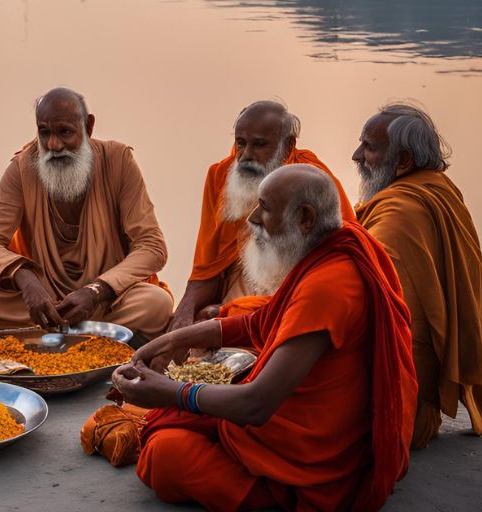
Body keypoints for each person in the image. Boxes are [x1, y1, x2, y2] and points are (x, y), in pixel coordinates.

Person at [114, 165, 417, 511]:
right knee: (174, 417)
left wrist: (170, 391)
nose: (253, 218)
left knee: (163, 456)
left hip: (310, 460)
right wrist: (171, 340)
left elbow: (256, 405)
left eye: (265, 208)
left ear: (305, 218)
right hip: (299, 426)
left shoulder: (329, 286)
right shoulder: (330, 246)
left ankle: (275, 497)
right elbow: (261, 322)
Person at [0, 87, 172, 339]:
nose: (54, 145)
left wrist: (96, 291)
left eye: (65, 132)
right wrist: (26, 280)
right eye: (45, 133)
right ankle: (77, 329)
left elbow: (152, 247)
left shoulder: (118, 160)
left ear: (88, 127)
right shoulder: (23, 168)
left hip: (106, 300)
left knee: (156, 304)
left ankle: (44, 332)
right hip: (43, 302)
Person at [353, 102, 482, 449]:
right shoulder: (440, 190)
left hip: (389, 410)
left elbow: (354, 303)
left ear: (403, 162)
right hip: (413, 406)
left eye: (369, 147)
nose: (356, 155)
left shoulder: (401, 213)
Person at [167, 100, 354, 330]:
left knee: (225, 326)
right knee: (195, 327)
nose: (245, 155)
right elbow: (207, 267)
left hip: (301, 282)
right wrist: (183, 314)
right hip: (247, 272)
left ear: (287, 145)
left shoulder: (315, 182)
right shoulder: (220, 177)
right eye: (240, 143)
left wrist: (234, 312)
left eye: (259, 145)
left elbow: (337, 267)